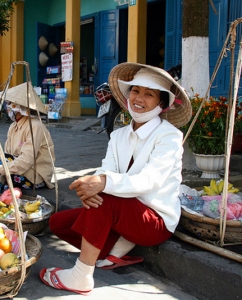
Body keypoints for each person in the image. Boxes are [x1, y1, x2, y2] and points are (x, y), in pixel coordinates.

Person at [39, 62, 192, 295]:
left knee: (105, 196)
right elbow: (106, 170)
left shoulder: (169, 137)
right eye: (135, 90)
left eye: (149, 94)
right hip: (121, 213)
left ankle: (82, 275)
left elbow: (149, 180)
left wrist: (102, 184)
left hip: (153, 220)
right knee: (57, 223)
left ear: (161, 104)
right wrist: (91, 187)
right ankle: (115, 248)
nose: (139, 98)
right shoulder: (119, 135)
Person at [0, 82, 55, 194]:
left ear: (18, 107)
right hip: (17, 170)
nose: (7, 107)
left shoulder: (35, 126)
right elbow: (6, 156)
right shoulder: (13, 127)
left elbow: (26, 161)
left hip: (34, 176)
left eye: (9, 104)